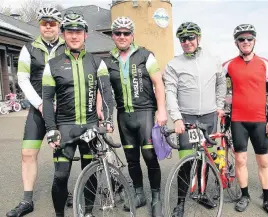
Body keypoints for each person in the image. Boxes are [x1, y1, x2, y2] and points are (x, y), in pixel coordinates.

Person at [42, 12, 114, 217]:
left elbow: (107, 94)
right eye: (70, 32)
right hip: (65, 127)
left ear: (85, 35)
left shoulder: (97, 62)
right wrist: (51, 129)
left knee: (90, 172)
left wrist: (108, 119)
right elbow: (47, 100)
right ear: (63, 34)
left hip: (90, 125)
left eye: (78, 32)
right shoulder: (53, 65)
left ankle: (88, 212)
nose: (74, 36)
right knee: (61, 175)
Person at [103, 16, 167, 217]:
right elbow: (102, 91)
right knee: (131, 158)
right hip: (124, 116)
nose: (122, 36)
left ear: (132, 36)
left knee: (149, 156)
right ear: (113, 36)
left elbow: (158, 84)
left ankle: (156, 198)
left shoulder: (145, 55)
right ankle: (139, 194)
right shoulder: (107, 61)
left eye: (126, 33)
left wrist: (162, 110)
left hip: (145, 112)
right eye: (118, 33)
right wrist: (104, 117)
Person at [6, 7, 67, 217]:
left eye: (52, 23)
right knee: (27, 153)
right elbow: (22, 78)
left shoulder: (68, 45)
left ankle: (62, 192)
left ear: (58, 25)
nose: (48, 26)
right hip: (38, 108)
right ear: (39, 24)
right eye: (44, 23)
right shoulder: (28, 48)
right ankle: (27, 200)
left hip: (63, 109)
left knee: (62, 154)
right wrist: (41, 104)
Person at [163, 21, 226, 217]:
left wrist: (219, 106)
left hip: (208, 115)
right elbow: (170, 92)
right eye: (183, 39)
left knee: (204, 159)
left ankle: (201, 192)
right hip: (187, 116)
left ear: (198, 38)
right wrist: (177, 118)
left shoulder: (213, 59)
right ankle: (180, 202)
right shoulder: (174, 64)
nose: (187, 41)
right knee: (186, 160)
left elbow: (221, 82)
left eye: (190, 37)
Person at [222, 24, 268, 217]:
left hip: (259, 121)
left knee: (263, 162)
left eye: (249, 39)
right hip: (238, 120)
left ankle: (267, 199)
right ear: (236, 42)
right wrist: (222, 105)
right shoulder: (228, 65)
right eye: (241, 39)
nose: (245, 42)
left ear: (254, 41)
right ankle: (244, 196)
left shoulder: (265, 63)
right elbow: (217, 88)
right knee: (240, 160)